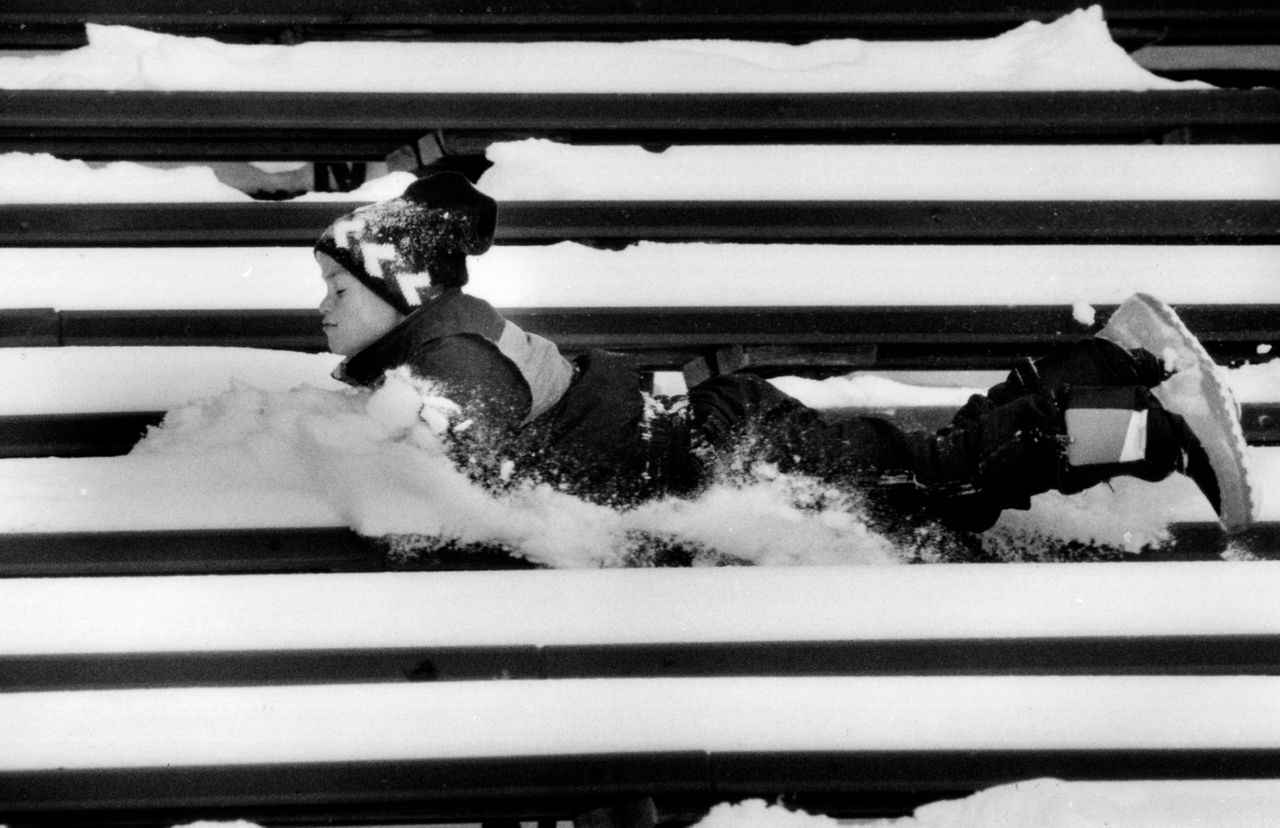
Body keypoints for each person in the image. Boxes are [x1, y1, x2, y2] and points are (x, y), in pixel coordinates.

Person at [315, 172, 1248, 537]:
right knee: (924, 469)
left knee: (945, 484)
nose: (322, 311)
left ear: (401, 293)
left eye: (339, 290)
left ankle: (1151, 429)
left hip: (735, 457)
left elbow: (462, 454)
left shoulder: (450, 365)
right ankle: (1103, 370)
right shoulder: (450, 336)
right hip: (720, 436)